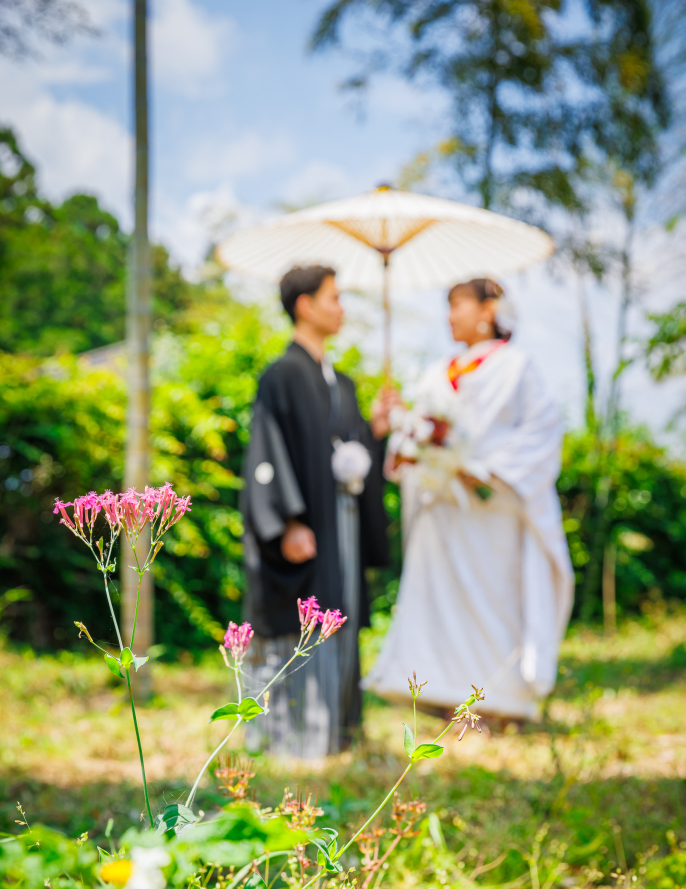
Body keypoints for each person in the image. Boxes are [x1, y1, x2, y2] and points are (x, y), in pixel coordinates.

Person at [364, 278, 574, 725]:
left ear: (489, 308)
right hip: (441, 512)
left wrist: (479, 469)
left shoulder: (517, 366)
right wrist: (399, 423)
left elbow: (541, 433)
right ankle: (442, 695)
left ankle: (498, 702)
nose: (449, 316)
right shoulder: (435, 373)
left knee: (494, 602)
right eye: (447, 306)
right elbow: (417, 436)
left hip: (492, 510)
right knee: (440, 605)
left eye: (457, 304)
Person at [241, 264, 390, 757]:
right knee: (303, 618)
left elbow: (346, 449)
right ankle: (293, 734)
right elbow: (269, 450)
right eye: (333, 298)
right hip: (307, 524)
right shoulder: (281, 375)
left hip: (340, 524)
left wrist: (375, 431)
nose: (341, 307)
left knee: (339, 611)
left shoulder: (341, 382)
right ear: (303, 305)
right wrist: (286, 520)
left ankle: (338, 731)